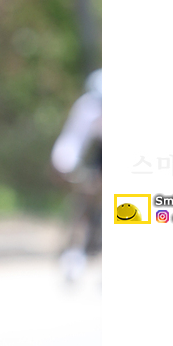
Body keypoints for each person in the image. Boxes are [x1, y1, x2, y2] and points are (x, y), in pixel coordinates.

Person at [51, 69, 102, 280]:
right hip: (95, 155)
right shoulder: (88, 107)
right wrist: (67, 165)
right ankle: (74, 255)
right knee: (83, 202)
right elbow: (73, 138)